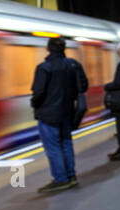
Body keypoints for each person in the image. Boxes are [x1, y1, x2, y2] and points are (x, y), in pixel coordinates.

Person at [30, 36, 88, 193]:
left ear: (48, 49)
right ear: (64, 49)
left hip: (48, 114)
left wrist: (35, 104)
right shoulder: (74, 65)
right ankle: (71, 176)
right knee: (66, 143)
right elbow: (83, 85)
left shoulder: (44, 67)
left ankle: (61, 179)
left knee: (53, 147)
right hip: (68, 111)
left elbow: (39, 92)